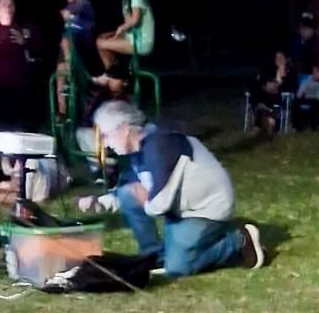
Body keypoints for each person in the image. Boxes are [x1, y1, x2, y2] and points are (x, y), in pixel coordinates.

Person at [92, 100, 264, 274]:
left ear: (124, 129)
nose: (105, 144)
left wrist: (146, 201)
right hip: (182, 209)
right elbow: (133, 188)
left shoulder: (160, 146)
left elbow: (159, 203)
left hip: (205, 209)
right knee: (126, 195)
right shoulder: (141, 148)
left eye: (106, 135)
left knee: (178, 267)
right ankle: (154, 256)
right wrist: (101, 202)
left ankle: (238, 239)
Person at [0, 0, 36, 126]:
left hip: (18, 88)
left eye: (11, 5)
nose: (8, 8)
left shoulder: (23, 30)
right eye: (4, 5)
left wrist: (25, 42)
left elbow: (36, 54)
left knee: (16, 125)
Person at [95, 0, 154, 84]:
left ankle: (114, 77)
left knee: (101, 44)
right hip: (132, 38)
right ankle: (117, 76)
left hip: (141, 41)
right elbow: (128, 25)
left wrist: (120, 29)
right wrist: (113, 34)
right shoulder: (126, 0)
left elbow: (135, 20)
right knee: (102, 39)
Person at [56, 0, 100, 112]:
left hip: (81, 43)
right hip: (67, 47)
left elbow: (80, 12)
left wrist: (70, 15)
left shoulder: (84, 3)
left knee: (66, 42)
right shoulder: (68, 7)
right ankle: (62, 111)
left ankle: (81, 83)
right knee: (59, 73)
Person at [250, 52, 293, 136]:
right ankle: (262, 115)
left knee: (265, 99)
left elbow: (286, 86)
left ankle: (260, 124)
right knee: (257, 88)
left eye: (281, 58)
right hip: (268, 94)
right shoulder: (271, 69)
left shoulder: (290, 72)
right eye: (276, 58)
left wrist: (278, 77)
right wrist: (267, 85)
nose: (278, 60)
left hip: (281, 96)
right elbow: (263, 79)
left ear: (286, 59)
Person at [292, 66, 319, 131]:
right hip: (307, 99)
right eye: (314, 72)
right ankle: (296, 125)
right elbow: (299, 94)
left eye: (317, 72)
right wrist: (301, 95)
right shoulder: (307, 80)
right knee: (295, 102)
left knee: (315, 103)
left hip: (318, 100)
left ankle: (314, 126)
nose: (315, 74)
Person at [289, 12, 318, 77]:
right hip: (297, 74)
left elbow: (314, 57)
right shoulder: (295, 39)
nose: (306, 30)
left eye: (309, 27)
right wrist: (303, 40)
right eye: (303, 27)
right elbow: (294, 56)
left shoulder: (315, 41)